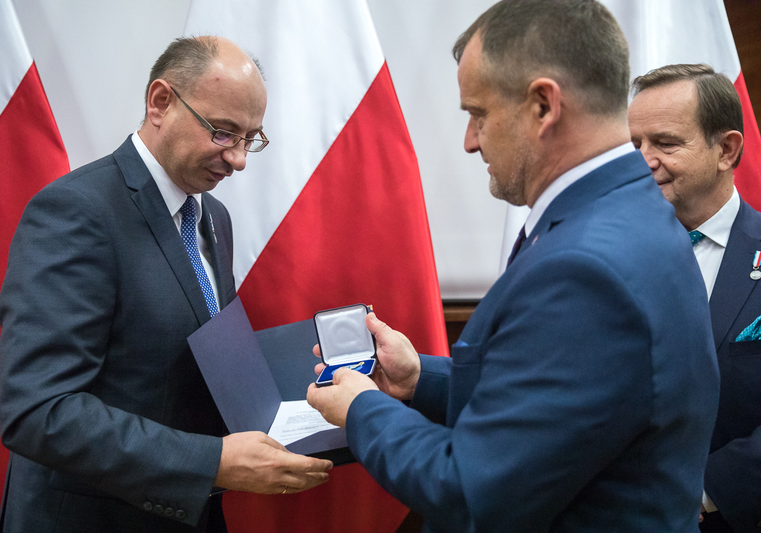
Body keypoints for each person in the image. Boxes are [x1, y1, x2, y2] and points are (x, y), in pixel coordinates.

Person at [307, 1, 720, 531]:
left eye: (478, 114)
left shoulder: (584, 270)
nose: (469, 140)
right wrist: (419, 380)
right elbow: (563, 403)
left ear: (543, 106)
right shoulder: (630, 211)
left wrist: (363, 407)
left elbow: (472, 493)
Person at [0, 36, 332, 532]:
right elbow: (40, 410)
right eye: (223, 133)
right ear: (160, 102)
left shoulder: (212, 216)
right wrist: (211, 462)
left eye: (251, 139)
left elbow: (204, 362)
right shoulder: (76, 212)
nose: (238, 159)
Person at [629, 63, 761, 533]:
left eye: (665, 143)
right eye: (635, 145)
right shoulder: (606, 258)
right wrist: (422, 375)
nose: (643, 161)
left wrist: (700, 492)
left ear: (726, 149)